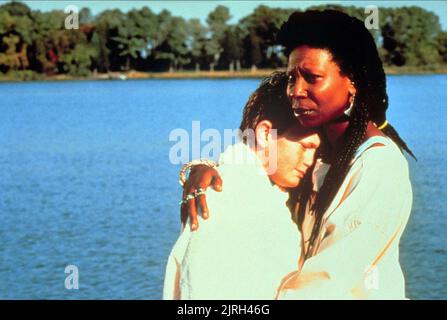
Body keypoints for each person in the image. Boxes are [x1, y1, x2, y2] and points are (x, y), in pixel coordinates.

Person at [179, 10, 415, 299]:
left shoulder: (379, 164)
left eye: (313, 78)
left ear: (352, 81)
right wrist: (212, 169)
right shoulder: (323, 152)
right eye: (292, 78)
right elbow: (262, 159)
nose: (297, 91)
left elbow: (326, 281)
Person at [163, 72, 320, 299]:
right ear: (265, 134)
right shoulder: (228, 197)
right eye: (306, 146)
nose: (311, 160)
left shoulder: (256, 189)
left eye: (317, 150)